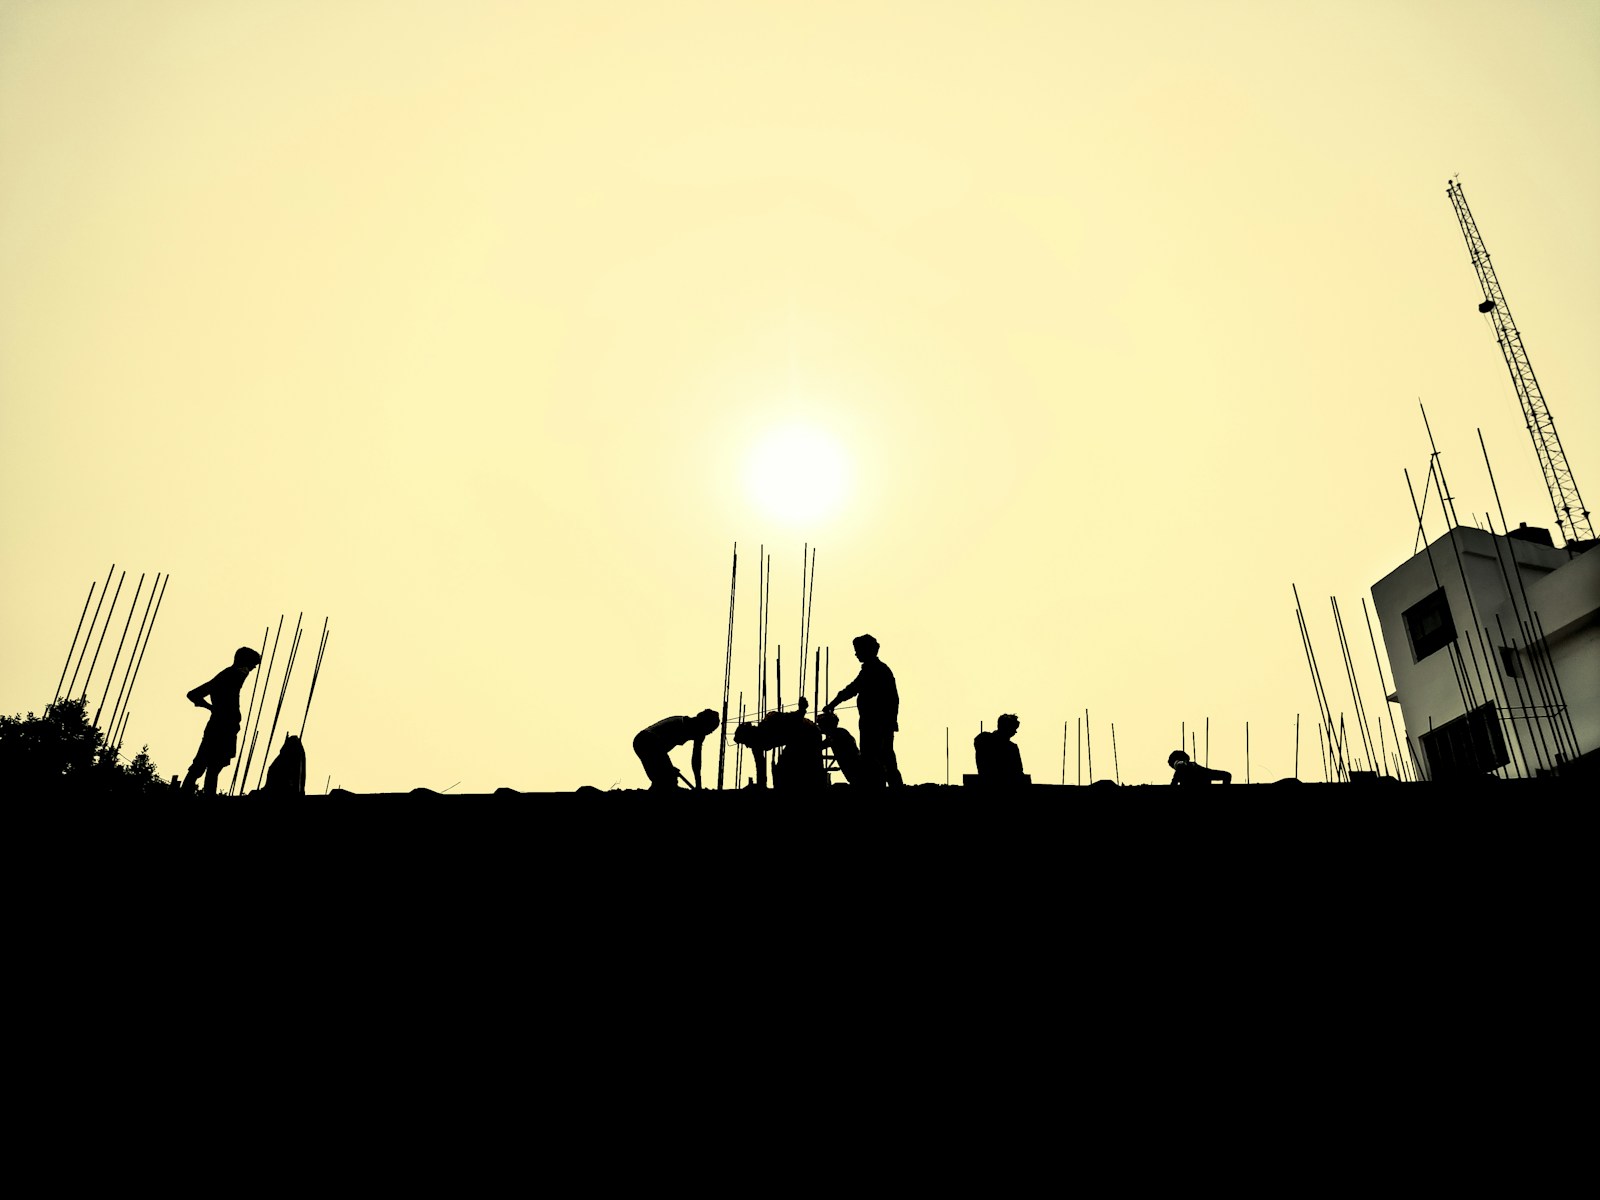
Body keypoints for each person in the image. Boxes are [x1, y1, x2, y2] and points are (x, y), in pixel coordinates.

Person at [823, 634, 902, 787]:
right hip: (874, 722)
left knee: (878, 756)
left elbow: (852, 689)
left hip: (876, 723)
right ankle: (886, 786)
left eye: (858, 650)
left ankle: (883, 787)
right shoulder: (875, 669)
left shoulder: (875, 670)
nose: (856, 654)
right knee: (880, 756)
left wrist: (833, 703)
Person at [182, 646, 262, 795]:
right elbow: (193, 694)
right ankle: (193, 794)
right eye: (252, 665)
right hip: (222, 727)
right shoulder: (233, 674)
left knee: (210, 765)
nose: (252, 669)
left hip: (225, 725)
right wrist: (212, 708)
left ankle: (196, 793)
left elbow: (194, 694)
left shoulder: (225, 676)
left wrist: (211, 708)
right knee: (206, 766)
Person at [734, 705, 826, 790]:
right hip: (797, 738)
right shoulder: (756, 744)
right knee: (783, 767)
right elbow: (760, 766)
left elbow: (794, 718)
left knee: (787, 766)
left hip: (808, 732)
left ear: (750, 734)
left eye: (745, 742)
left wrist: (802, 709)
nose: (746, 746)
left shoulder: (771, 721)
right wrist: (760, 786)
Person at [633, 709, 720, 791]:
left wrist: (698, 786)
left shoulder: (699, 733)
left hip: (650, 745)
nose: (710, 733)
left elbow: (696, 760)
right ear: (704, 724)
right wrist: (667, 767)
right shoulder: (681, 724)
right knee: (666, 781)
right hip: (645, 741)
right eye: (711, 729)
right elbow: (657, 748)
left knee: (664, 781)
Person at [974, 714, 1026, 785]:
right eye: (1014, 728)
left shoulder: (984, 739)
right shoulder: (1011, 748)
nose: (1015, 732)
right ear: (1007, 728)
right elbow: (1018, 771)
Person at [817, 710, 865, 786]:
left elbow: (819, 746)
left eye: (820, 724)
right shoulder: (840, 732)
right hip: (858, 769)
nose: (819, 727)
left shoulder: (836, 735)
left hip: (856, 770)